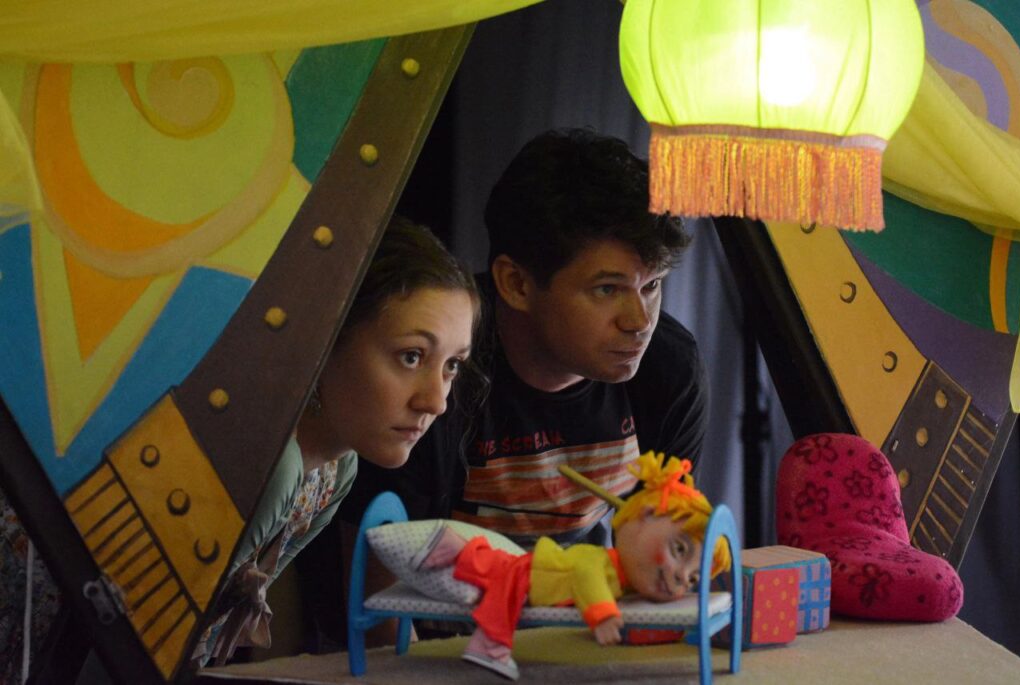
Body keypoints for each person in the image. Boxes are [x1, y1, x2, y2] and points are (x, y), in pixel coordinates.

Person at [341, 127, 707, 551]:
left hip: (591, 592)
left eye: (652, 286)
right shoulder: (435, 366)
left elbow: (662, 559)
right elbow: (379, 576)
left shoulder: (669, 366)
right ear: (516, 284)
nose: (640, 321)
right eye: (607, 289)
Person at [192, 215, 481, 666]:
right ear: (325, 338)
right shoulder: (275, 464)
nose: (437, 401)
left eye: (452, 365)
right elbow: (166, 640)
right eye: (411, 357)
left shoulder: (337, 467)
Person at [409, 451, 730, 680]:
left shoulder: (626, 578)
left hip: (539, 579)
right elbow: (586, 576)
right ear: (645, 516)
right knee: (496, 574)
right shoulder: (599, 561)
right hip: (537, 575)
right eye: (679, 549)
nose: (680, 576)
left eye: (693, 579)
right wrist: (602, 613)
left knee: (493, 568)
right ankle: (455, 562)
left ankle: (451, 549)